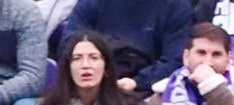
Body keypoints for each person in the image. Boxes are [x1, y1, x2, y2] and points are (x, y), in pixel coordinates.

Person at [56, 0, 196, 92]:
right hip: (91, 83)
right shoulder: (92, 2)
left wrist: (136, 82)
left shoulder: (176, 6)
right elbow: (70, 45)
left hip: (145, 92)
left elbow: (176, 59)